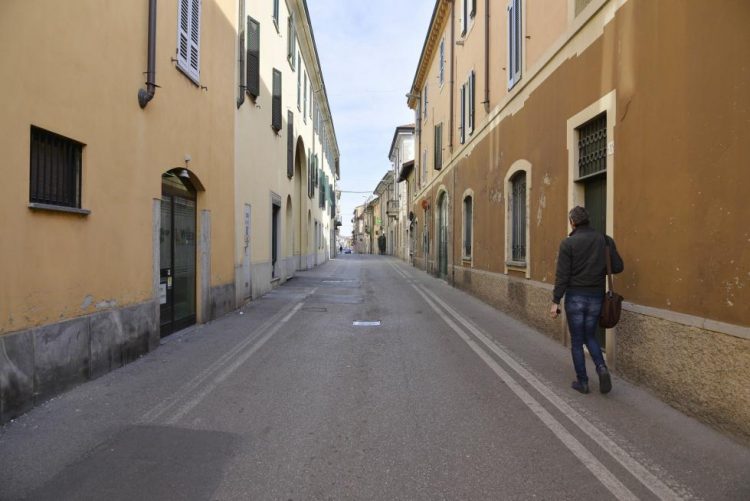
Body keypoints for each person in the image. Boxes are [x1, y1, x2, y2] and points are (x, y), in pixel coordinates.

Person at [550, 206, 623, 394]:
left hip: (575, 297)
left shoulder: (568, 244)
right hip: (596, 297)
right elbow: (617, 267)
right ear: (588, 220)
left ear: (572, 222)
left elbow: (562, 275)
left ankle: (583, 382)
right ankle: (601, 368)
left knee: (577, 341)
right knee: (590, 336)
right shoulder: (605, 240)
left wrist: (555, 301)